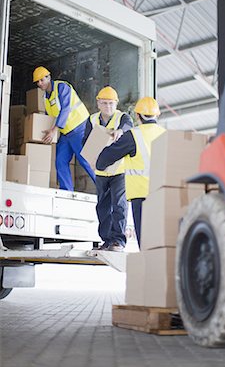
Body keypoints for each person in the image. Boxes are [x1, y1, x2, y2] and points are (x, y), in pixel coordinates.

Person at [96, 97, 165, 248]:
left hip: (141, 196)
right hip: (163, 195)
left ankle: (148, 269)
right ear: (157, 115)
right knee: (162, 242)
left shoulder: (134, 135)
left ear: (138, 116)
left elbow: (103, 160)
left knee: (146, 244)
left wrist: (100, 165)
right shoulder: (165, 134)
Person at [86, 86, 134, 252]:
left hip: (119, 171)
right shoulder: (92, 120)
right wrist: (91, 160)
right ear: (98, 103)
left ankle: (118, 241)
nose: (108, 106)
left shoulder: (122, 117)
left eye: (111, 103)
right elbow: (85, 142)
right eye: (104, 103)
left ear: (116, 103)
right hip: (100, 173)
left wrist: (121, 131)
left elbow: (128, 126)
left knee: (119, 206)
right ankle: (106, 240)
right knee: (102, 207)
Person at [33, 66, 95, 191]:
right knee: (60, 160)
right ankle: (66, 190)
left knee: (86, 161)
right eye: (37, 82)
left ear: (49, 77)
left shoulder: (61, 87)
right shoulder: (45, 97)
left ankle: (106, 189)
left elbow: (65, 109)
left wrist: (54, 130)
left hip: (80, 127)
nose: (40, 83)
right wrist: (48, 132)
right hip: (66, 132)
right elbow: (49, 117)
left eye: (42, 80)